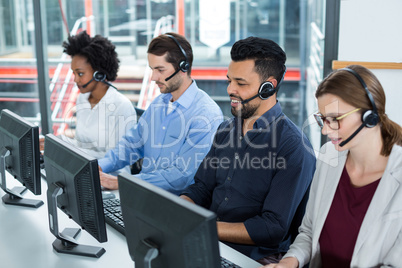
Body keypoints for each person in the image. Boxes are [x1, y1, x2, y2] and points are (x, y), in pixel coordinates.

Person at [180, 37, 316, 264]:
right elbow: (202, 188)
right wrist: (179, 210)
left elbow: (272, 228)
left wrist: (205, 228)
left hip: (251, 258)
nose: (230, 89)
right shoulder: (225, 130)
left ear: (268, 87)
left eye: (241, 84)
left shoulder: (293, 147)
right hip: (209, 244)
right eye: (229, 80)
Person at [264, 65, 402, 268]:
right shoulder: (330, 156)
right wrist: (289, 262)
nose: (326, 130)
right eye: (323, 120)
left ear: (369, 116)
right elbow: (309, 232)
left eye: (335, 119)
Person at [98, 32, 223, 195]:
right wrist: (99, 167)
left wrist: (123, 183)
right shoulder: (159, 103)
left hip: (175, 207)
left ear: (183, 67)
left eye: (160, 70)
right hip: (144, 197)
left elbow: (181, 177)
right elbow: (133, 144)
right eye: (152, 69)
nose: (153, 77)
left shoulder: (206, 115)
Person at [56, 31, 136, 174]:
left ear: (99, 73)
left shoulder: (121, 106)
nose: (75, 80)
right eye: (73, 73)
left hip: (112, 179)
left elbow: (115, 160)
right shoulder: (83, 99)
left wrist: (68, 148)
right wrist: (57, 143)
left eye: (80, 74)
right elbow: (82, 145)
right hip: (84, 172)